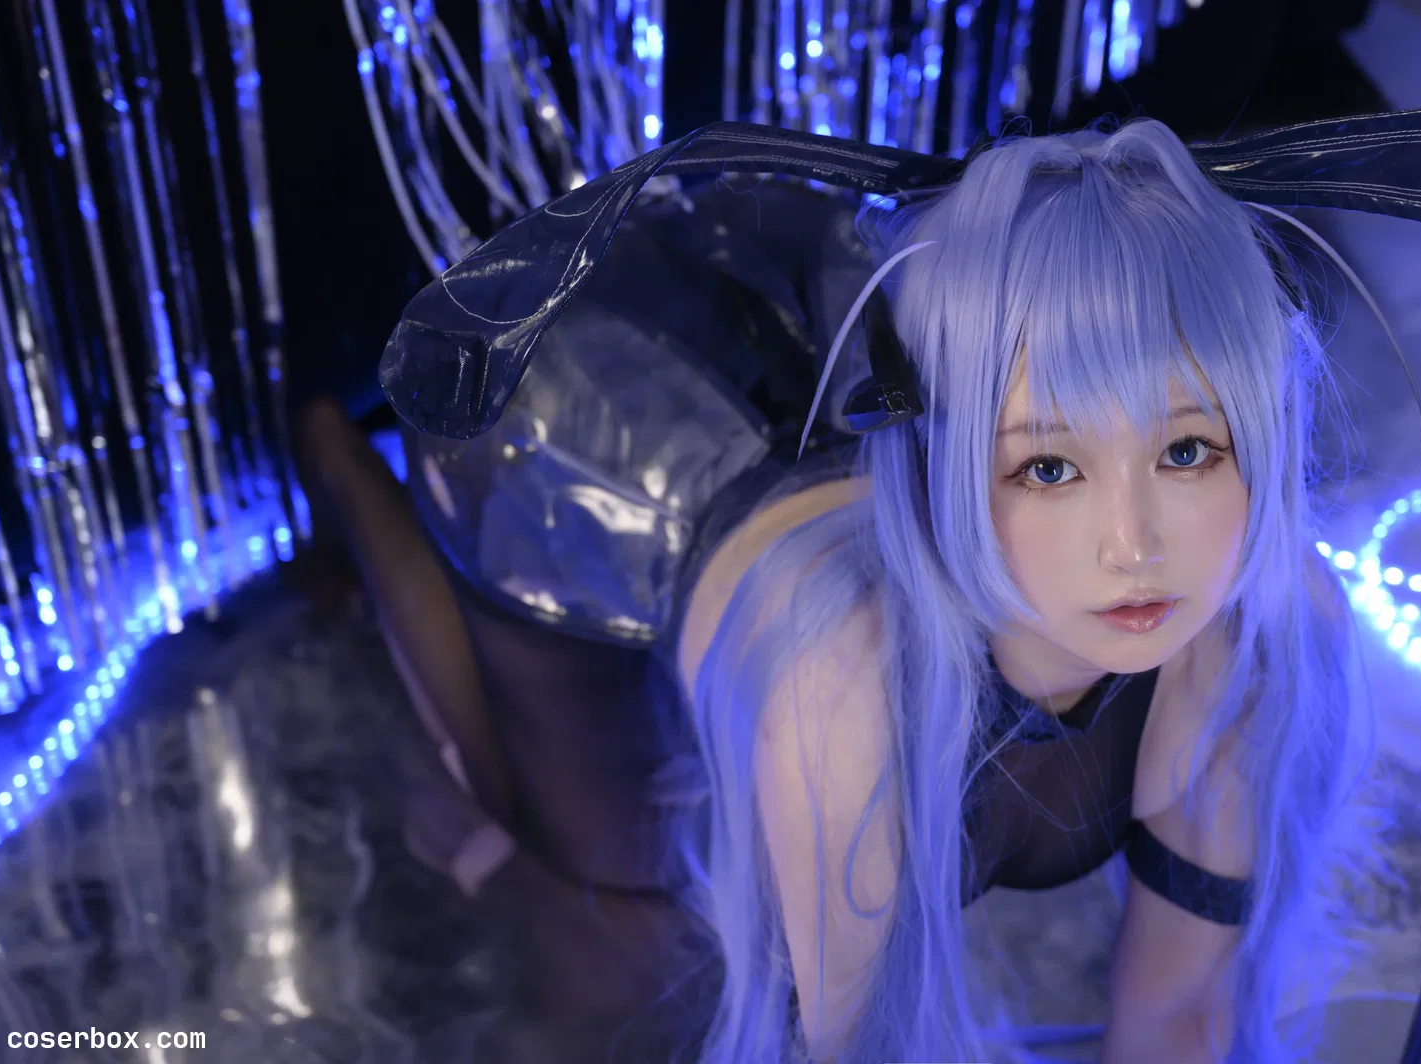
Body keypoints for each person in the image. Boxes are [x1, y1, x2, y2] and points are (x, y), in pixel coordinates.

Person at [309, 119, 1366, 1063]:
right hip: (600, 442)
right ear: (955, 470)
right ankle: (329, 448)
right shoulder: (844, 686)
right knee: (582, 860)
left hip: (845, 367)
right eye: (1050, 468)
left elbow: (1177, 1020)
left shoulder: (1266, 628)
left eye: (1186, 451)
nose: (1135, 546)